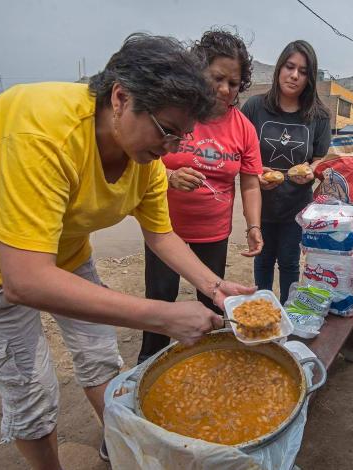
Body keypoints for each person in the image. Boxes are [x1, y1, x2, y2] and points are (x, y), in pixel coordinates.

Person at [0, 33, 255, 469]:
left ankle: (120, 446)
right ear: (121, 97)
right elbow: (25, 279)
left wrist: (215, 285)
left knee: (100, 356)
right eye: (167, 131)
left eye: (181, 138)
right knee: (31, 388)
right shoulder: (41, 133)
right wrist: (163, 315)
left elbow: (161, 235)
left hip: (66, 251)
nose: (171, 149)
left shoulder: (145, 156)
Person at [137, 30, 264, 364]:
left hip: (214, 232)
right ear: (198, 73)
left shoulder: (243, 128)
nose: (224, 90)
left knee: (211, 301)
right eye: (217, 78)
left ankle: (206, 362)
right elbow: (143, 161)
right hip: (165, 228)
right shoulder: (178, 114)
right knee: (161, 298)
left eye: (233, 83)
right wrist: (170, 176)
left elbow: (250, 182)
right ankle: (150, 361)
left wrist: (254, 226)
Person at [241, 40, 331, 304]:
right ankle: (263, 312)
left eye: (303, 71)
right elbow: (242, 155)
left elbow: (320, 159)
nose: (294, 75)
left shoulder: (320, 115)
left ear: (310, 77)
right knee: (263, 263)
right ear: (279, 68)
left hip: (297, 208)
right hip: (260, 205)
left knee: (290, 264)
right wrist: (256, 173)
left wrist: (312, 171)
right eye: (289, 67)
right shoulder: (254, 108)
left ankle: (287, 318)